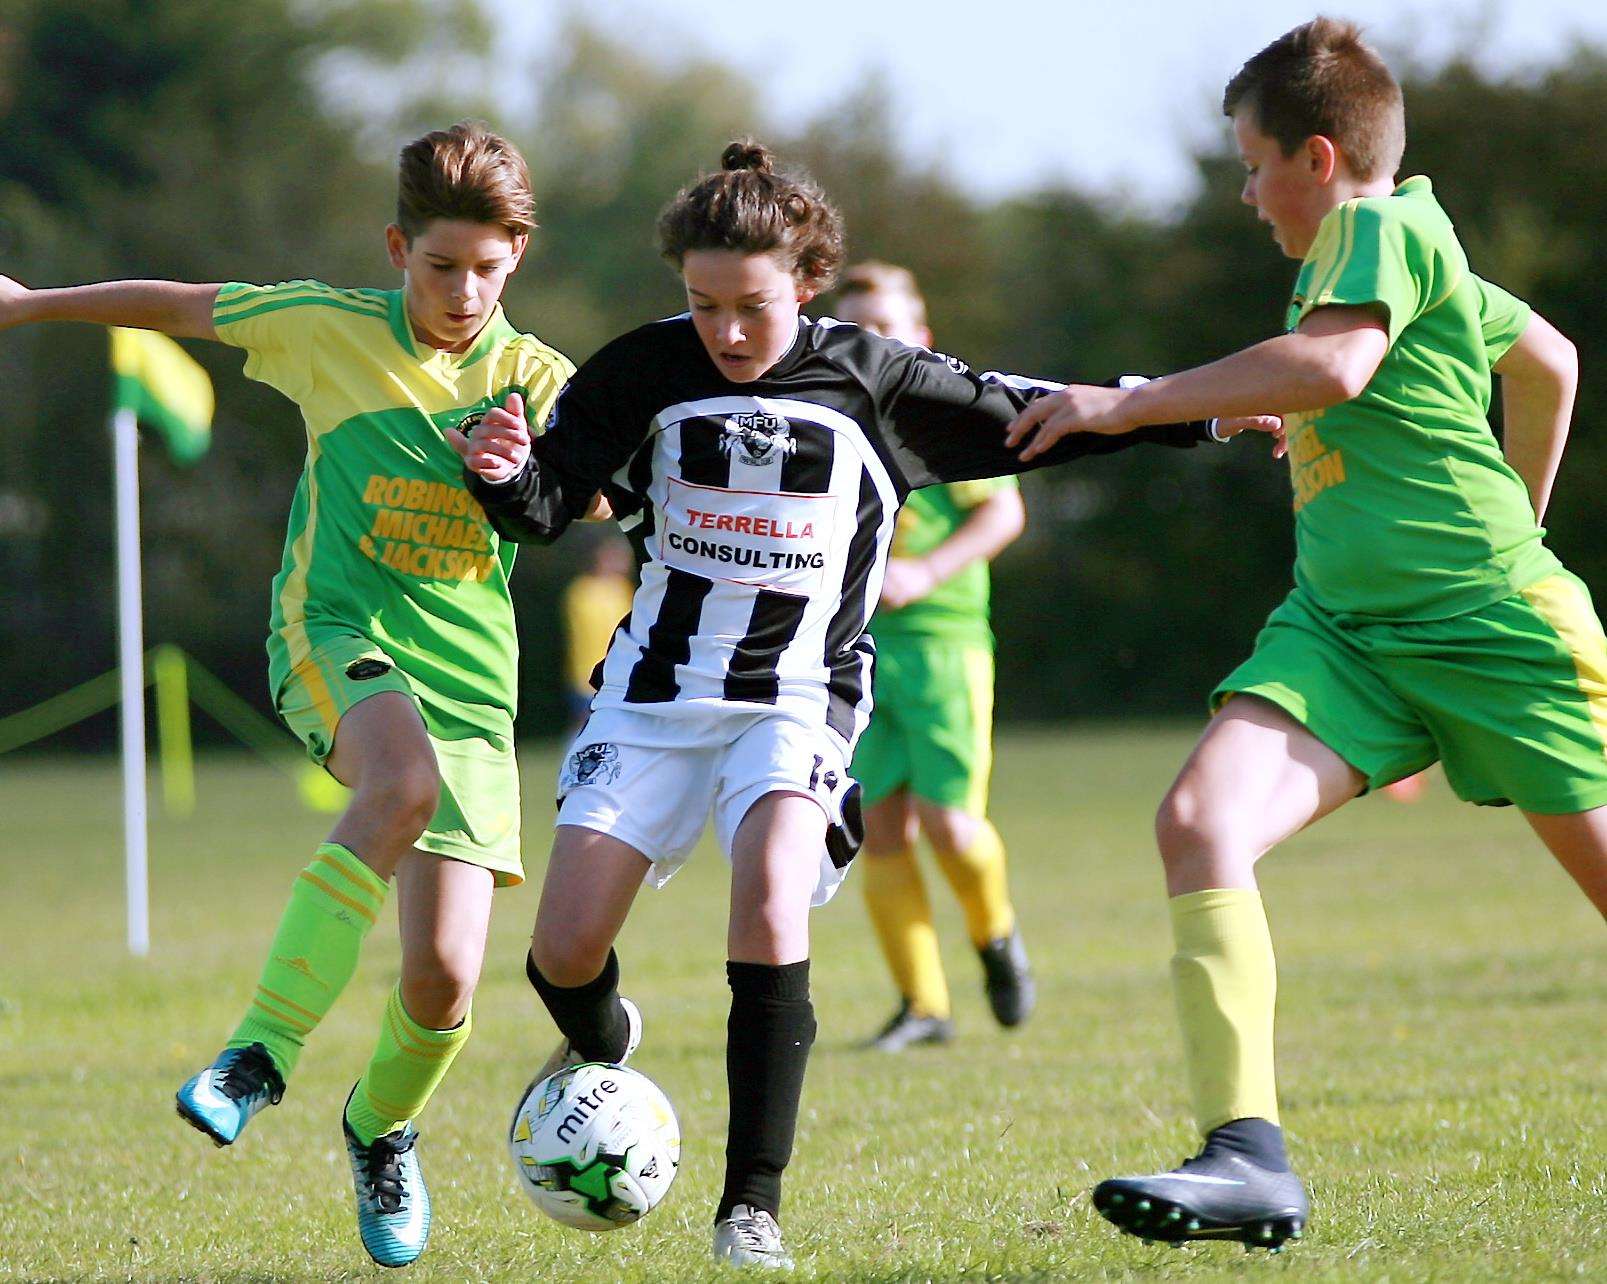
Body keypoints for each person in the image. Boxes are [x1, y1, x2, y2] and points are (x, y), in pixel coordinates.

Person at [452, 139, 1276, 1268]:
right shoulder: (641, 371)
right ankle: (607, 1036)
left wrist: (1204, 418)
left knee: (772, 896)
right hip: (651, 694)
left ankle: (750, 1207)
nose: (726, 332)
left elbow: (1036, 414)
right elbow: (547, 506)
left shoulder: (872, 380)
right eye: (701, 304)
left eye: (749, 305)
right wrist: (500, 473)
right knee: (560, 951)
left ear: (805, 279)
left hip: (799, 695)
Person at [1006, 18, 1607, 1252]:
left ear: (1318, 157)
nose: (1242, 191)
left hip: (1492, 631)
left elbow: (1335, 369)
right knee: (1197, 823)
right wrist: (1497, 493)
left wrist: (1127, 406)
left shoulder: (1377, 229)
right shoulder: (1387, 245)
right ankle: (1246, 1157)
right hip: (1344, 636)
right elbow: (1543, 360)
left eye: (1248, 161)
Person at [0, 122, 573, 1268]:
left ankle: (381, 1128)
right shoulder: (329, 326)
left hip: (473, 686)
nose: (462, 292)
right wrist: (23, 305)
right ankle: (255, 1055)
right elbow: (176, 305)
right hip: (335, 634)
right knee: (398, 781)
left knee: (445, 975)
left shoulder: (540, 379)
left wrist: (528, 476)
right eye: (438, 266)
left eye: (486, 270)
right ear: (396, 247)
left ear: (519, 255)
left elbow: (598, 501)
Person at [832, 262, 1033, 1052]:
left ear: (920, 337)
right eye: (856, 329)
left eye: (887, 326)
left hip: (945, 647)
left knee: (950, 826)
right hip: (856, 653)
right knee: (879, 828)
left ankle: (995, 934)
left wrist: (924, 572)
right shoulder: (831, 423)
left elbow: (1003, 513)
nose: (873, 343)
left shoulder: (948, 416)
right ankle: (922, 1006)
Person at [559, 534, 636, 733]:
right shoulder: (582, 590)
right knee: (586, 726)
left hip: (619, 673)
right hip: (585, 675)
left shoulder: (623, 589)